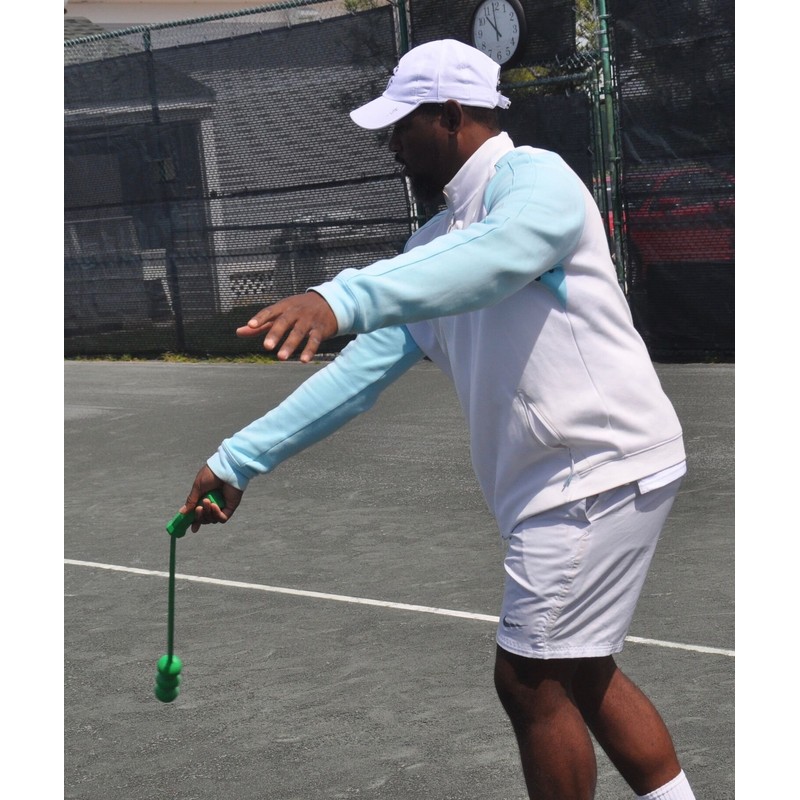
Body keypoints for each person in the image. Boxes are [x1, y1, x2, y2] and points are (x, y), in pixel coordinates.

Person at [177, 39, 696, 800]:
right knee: (579, 669)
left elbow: (500, 252)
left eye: (403, 124)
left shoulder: (537, 181)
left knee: (529, 680)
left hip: (595, 472)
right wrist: (236, 460)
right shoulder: (432, 245)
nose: (391, 144)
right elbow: (357, 374)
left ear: (451, 116)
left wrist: (340, 296)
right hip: (565, 482)